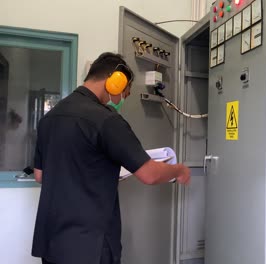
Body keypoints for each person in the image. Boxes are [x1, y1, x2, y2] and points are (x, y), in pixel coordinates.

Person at [31, 52, 190, 264]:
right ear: (115, 82)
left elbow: (40, 175)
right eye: (124, 93)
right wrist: (178, 170)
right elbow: (150, 174)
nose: (121, 99)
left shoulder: (49, 118)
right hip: (90, 246)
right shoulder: (106, 120)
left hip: (53, 243)